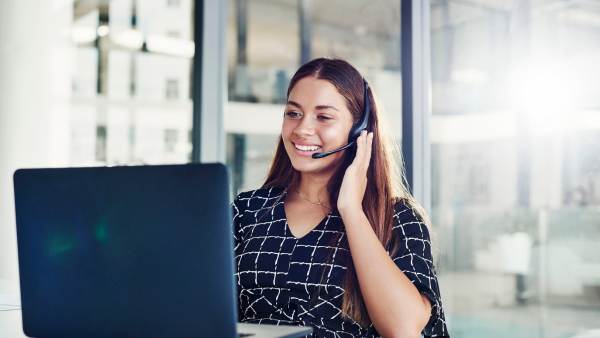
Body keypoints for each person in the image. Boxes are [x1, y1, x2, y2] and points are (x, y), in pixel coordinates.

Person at [232, 57, 448, 338]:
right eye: (293, 113)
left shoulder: (397, 218)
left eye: (323, 117)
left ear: (359, 130)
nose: (302, 129)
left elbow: (404, 329)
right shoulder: (246, 211)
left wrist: (352, 211)